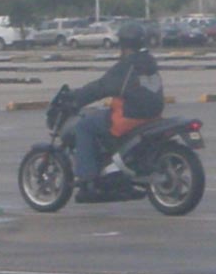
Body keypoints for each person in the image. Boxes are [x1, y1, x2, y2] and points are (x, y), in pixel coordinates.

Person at [68, 21, 164, 202]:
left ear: (123, 43)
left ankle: (87, 180)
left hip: (129, 118)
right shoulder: (149, 61)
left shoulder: (127, 65)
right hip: (153, 118)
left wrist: (76, 98)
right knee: (102, 117)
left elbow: (100, 87)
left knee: (84, 126)